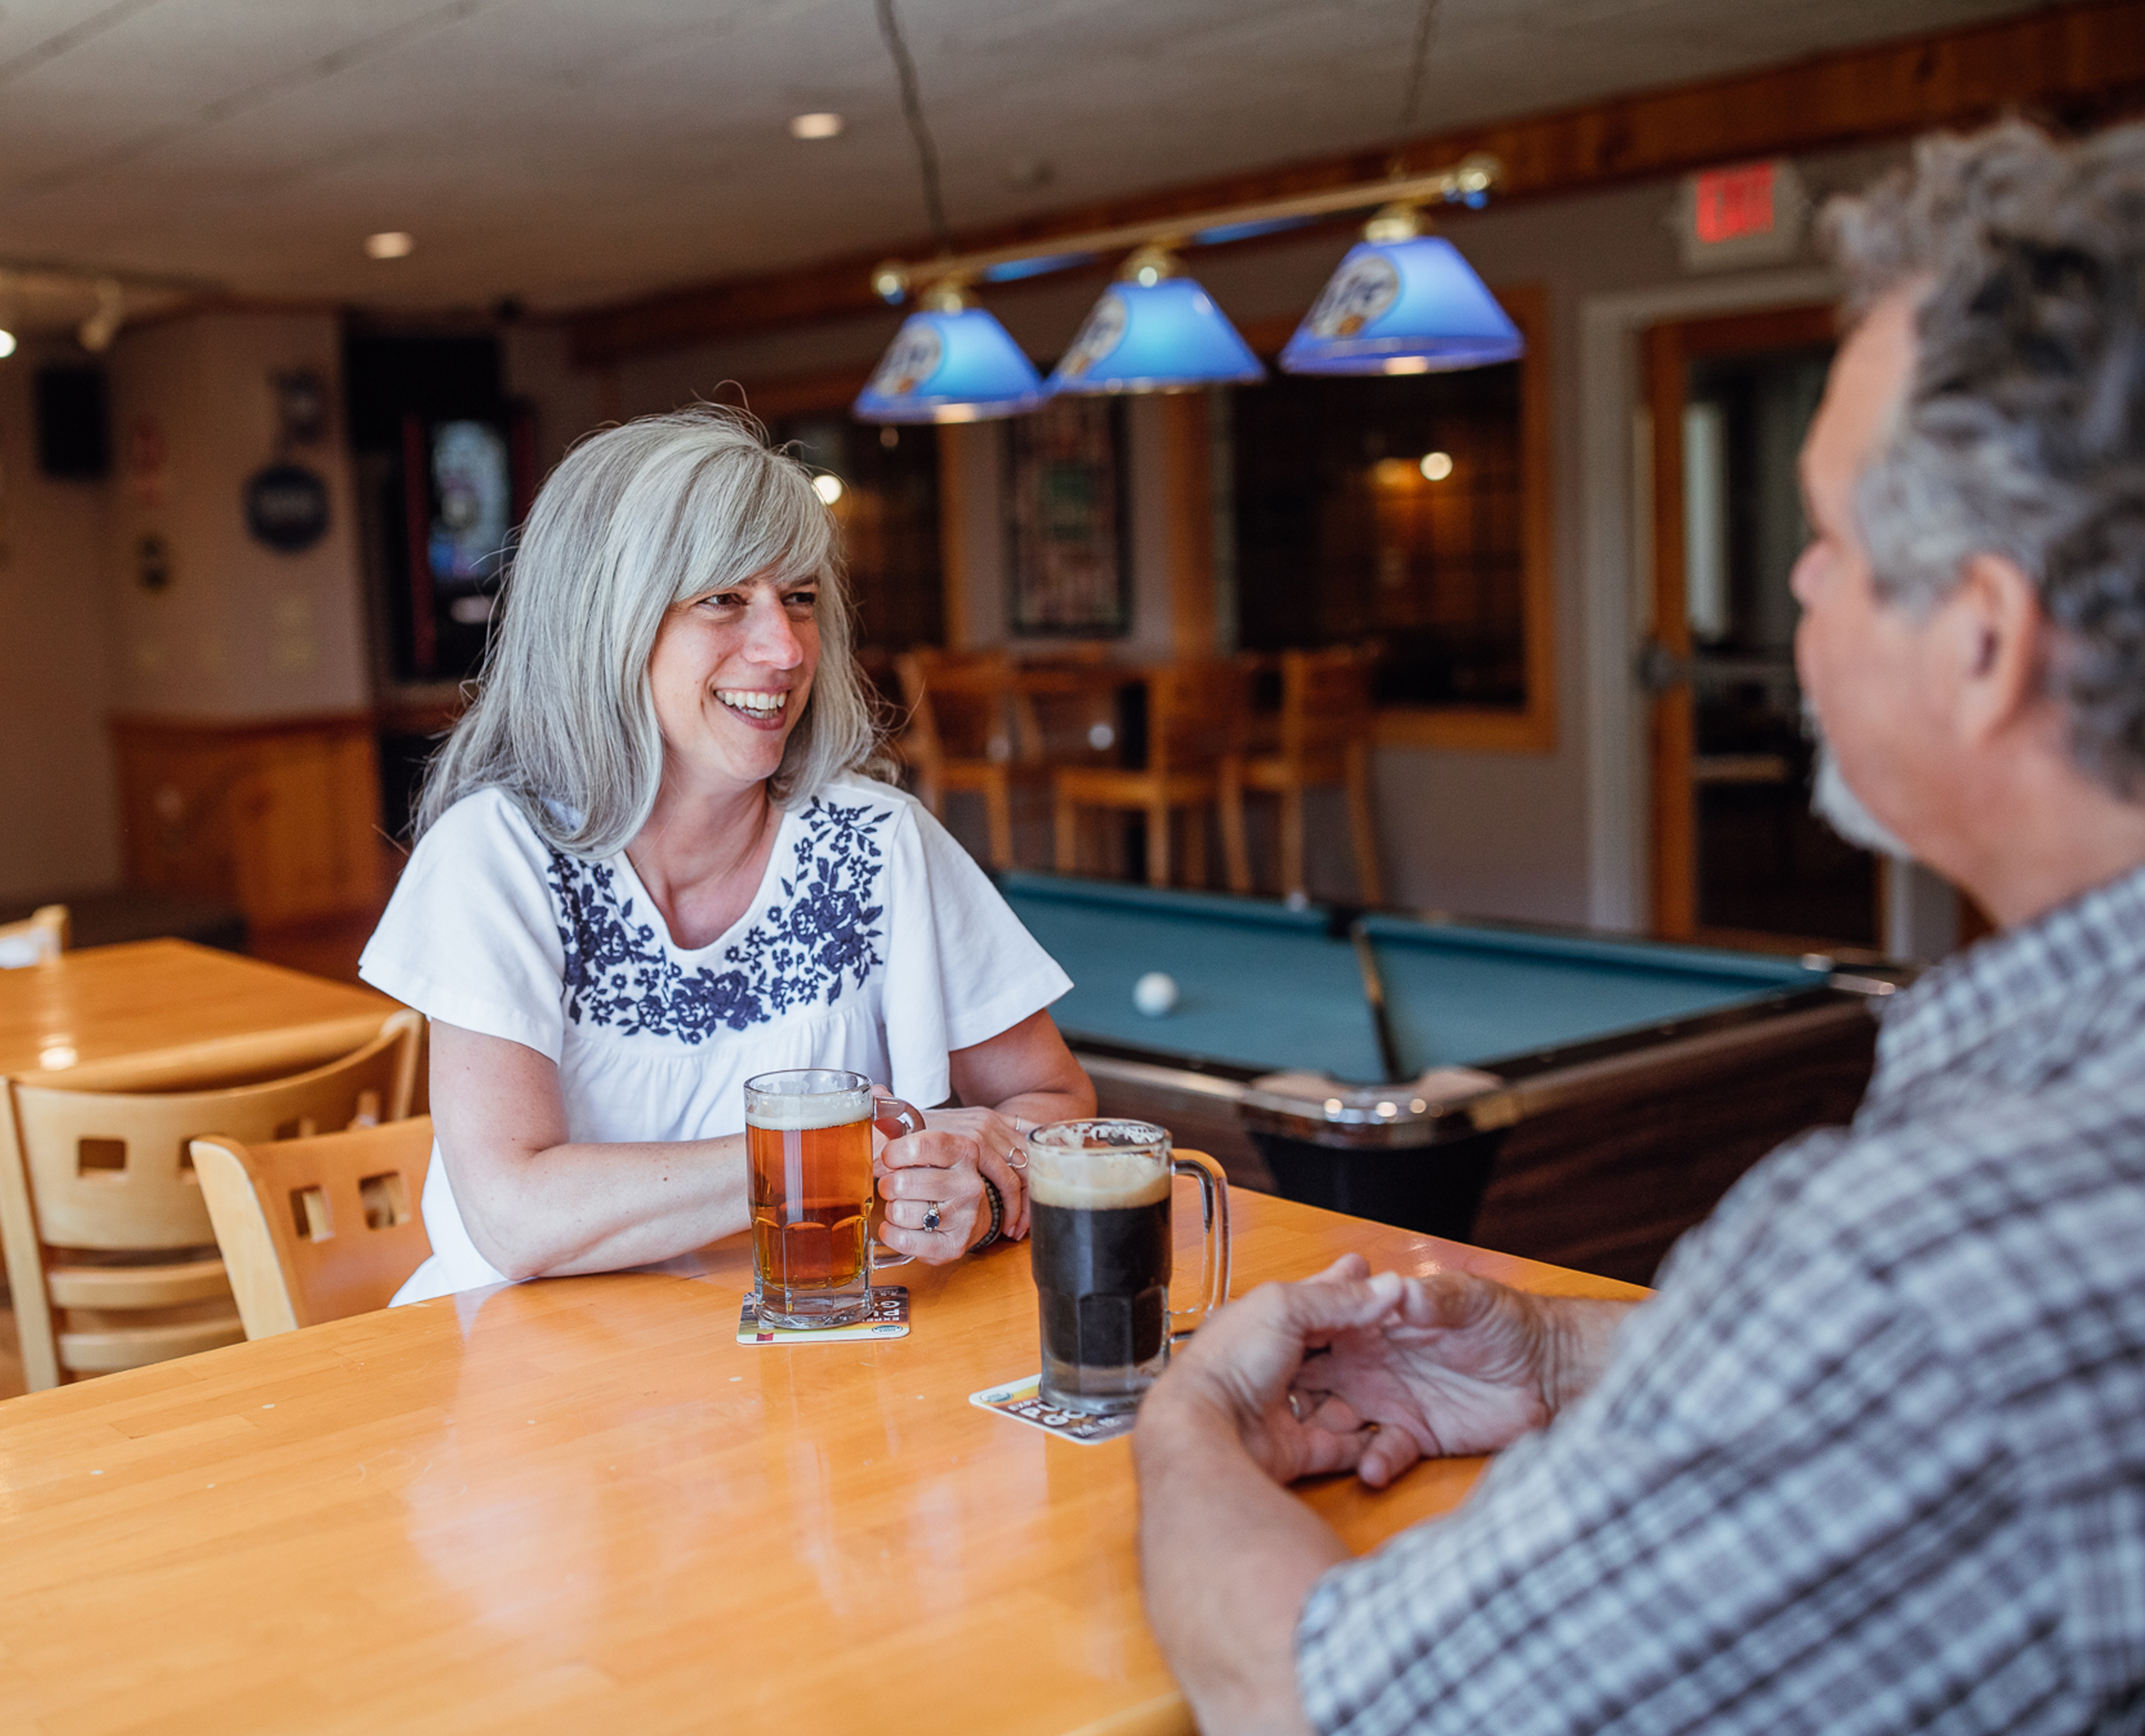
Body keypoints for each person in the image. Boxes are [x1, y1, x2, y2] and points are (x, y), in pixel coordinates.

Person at [1134, 120, 2145, 1736]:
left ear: (1983, 640)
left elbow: (1323, 1697)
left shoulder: (1932, 1254)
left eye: (1823, 539)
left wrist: (1188, 1412)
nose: (1799, 589)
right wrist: (1558, 1359)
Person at [360, 406, 1094, 1304]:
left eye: (799, 599)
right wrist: (827, 1147)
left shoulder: (878, 841)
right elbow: (515, 1218)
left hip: (818, 1377)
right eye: (722, 600)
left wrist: (978, 1187)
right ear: (607, 621)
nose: (784, 649)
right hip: (535, 1393)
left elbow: (1052, 1105)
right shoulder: (499, 855)